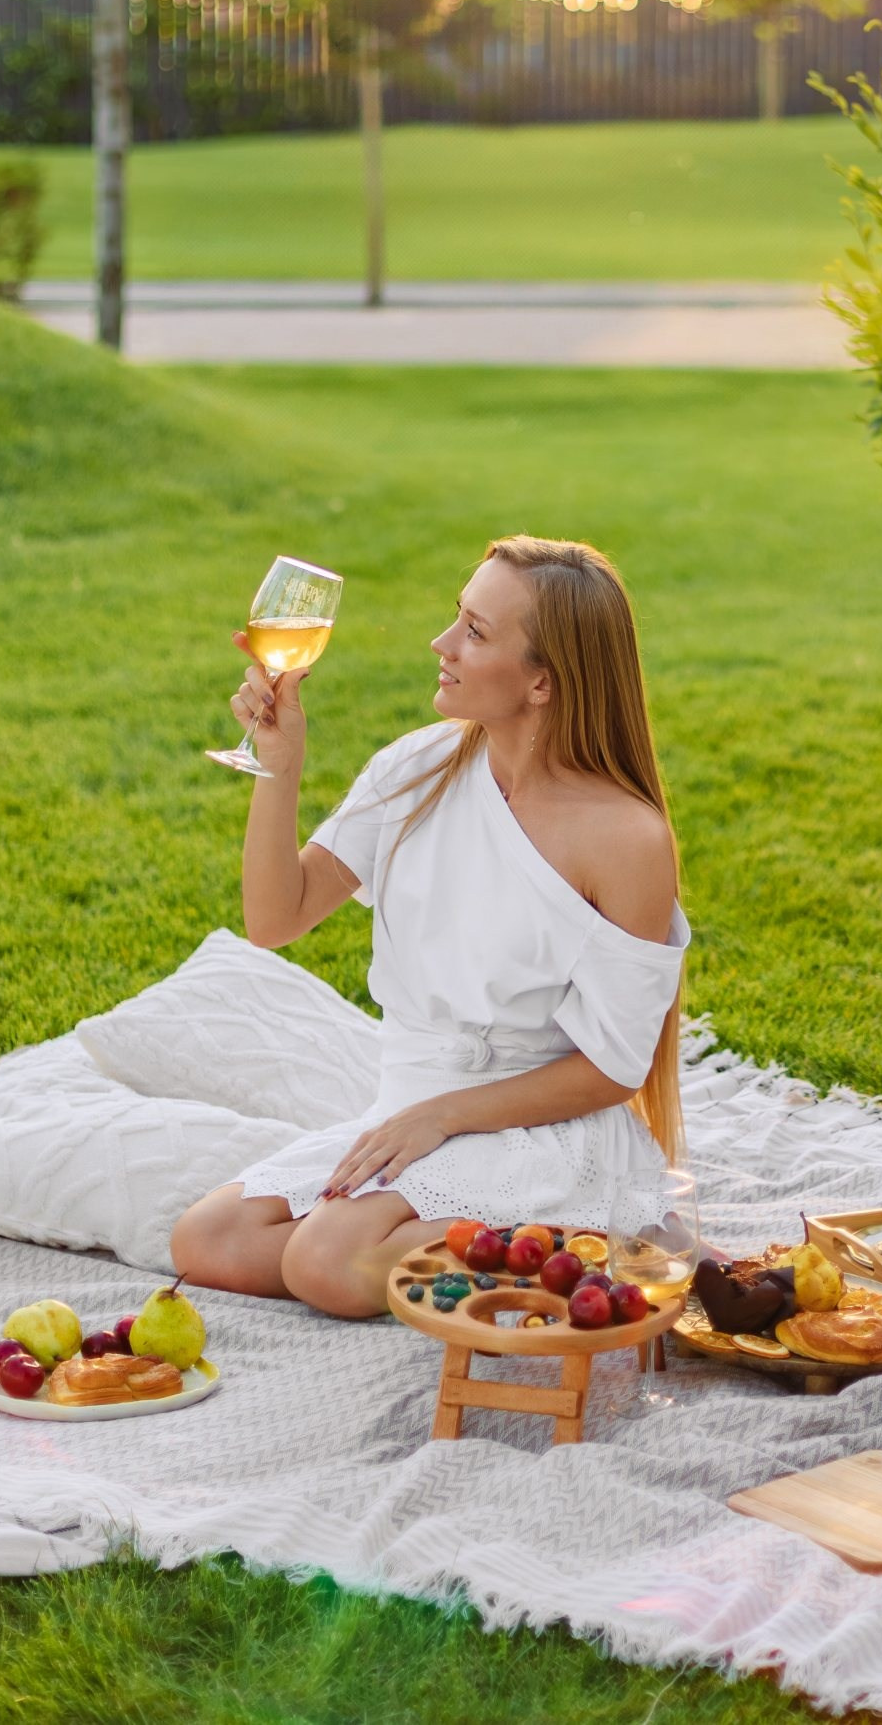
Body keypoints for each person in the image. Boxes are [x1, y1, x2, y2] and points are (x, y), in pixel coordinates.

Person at [171, 534, 688, 1319]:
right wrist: (279, 770)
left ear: (542, 681)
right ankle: (465, 1247)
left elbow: (616, 1069)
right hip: (408, 1113)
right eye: (458, 617)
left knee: (325, 1261)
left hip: (537, 1123)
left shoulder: (624, 839)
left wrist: (444, 1116)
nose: (441, 644)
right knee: (209, 1240)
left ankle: (583, 1239)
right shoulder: (416, 768)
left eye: (476, 633)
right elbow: (276, 919)